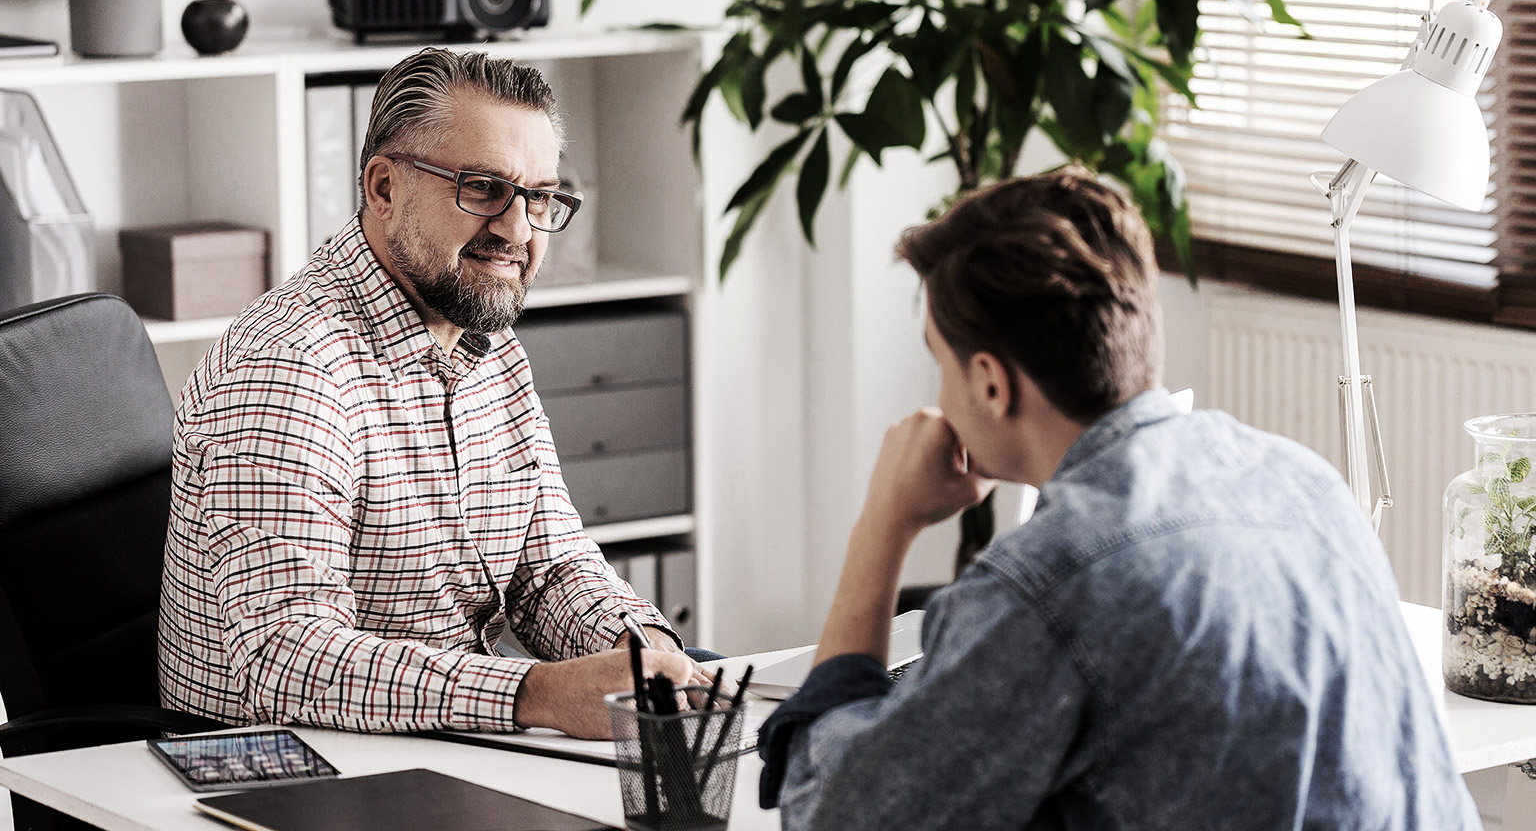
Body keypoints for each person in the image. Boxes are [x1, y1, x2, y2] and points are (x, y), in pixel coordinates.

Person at [757, 169, 1479, 829]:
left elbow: (832, 813)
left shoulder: (1051, 582)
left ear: (990, 383)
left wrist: (884, 522)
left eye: (938, 362)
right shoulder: (1306, 483)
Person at [158, 48, 700, 739]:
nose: (518, 229)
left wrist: (645, 651)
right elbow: (284, 659)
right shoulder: (289, 368)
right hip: (290, 767)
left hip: (442, 739)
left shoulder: (485, 341)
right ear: (383, 188)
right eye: (482, 189)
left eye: (538, 197)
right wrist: (535, 693)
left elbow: (551, 565)